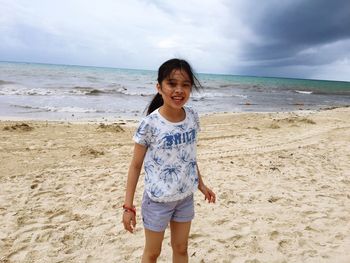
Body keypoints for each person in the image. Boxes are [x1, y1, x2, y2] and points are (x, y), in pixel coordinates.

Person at [122, 58, 216, 263]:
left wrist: (201, 184)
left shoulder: (192, 116)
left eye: (185, 85)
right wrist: (128, 206)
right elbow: (135, 165)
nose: (179, 90)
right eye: (172, 84)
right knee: (153, 253)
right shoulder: (150, 124)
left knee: (181, 249)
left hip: (184, 197)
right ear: (159, 87)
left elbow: (189, 156)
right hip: (157, 200)